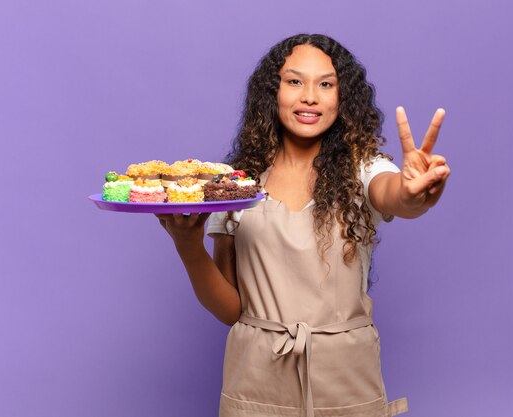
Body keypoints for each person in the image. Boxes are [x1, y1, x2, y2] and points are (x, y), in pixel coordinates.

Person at [155, 33, 450, 417]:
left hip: (345, 376)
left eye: (326, 84)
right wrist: (187, 245)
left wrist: (414, 194)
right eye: (294, 81)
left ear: (342, 99)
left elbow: (395, 195)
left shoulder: (363, 169)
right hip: (256, 377)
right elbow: (231, 310)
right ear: (271, 92)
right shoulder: (237, 184)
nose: (309, 96)